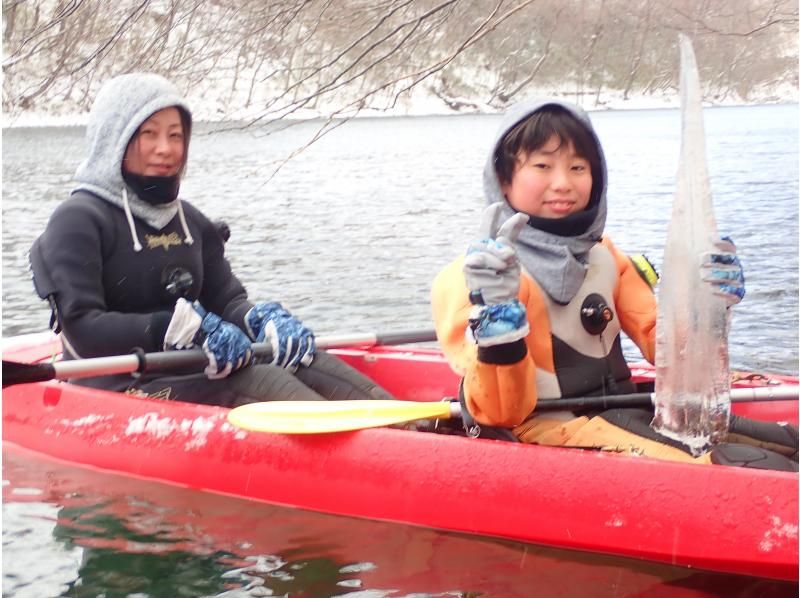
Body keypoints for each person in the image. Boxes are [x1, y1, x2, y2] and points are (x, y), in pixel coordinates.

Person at [431, 99, 797, 469]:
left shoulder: (605, 256)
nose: (563, 183)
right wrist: (497, 316)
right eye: (542, 165)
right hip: (548, 427)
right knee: (739, 467)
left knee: (789, 444)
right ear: (504, 180)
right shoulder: (474, 277)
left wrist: (708, 307)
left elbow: (668, 350)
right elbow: (500, 413)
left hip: (623, 408)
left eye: (578, 167)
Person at [29, 72, 392, 407]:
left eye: (175, 135)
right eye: (149, 134)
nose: (165, 148)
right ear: (115, 140)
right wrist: (175, 328)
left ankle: (422, 427)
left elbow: (226, 300)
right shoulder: (77, 220)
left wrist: (258, 320)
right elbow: (81, 330)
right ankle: (372, 454)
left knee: (305, 360)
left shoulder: (190, 221)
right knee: (262, 379)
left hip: (196, 366)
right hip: (116, 385)